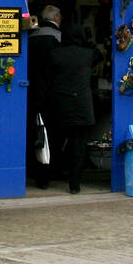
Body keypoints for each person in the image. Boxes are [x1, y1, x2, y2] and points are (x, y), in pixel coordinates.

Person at [45, 23, 99, 194]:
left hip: (59, 104)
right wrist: (88, 40)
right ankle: (74, 184)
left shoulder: (54, 53)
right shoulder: (88, 54)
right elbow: (99, 54)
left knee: (53, 144)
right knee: (78, 147)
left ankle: (46, 178)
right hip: (81, 106)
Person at [25, 5, 61, 189]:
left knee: (33, 132)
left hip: (30, 91)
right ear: (56, 17)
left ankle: (31, 169)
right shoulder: (57, 38)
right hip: (51, 94)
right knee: (50, 135)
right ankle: (47, 174)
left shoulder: (31, 36)